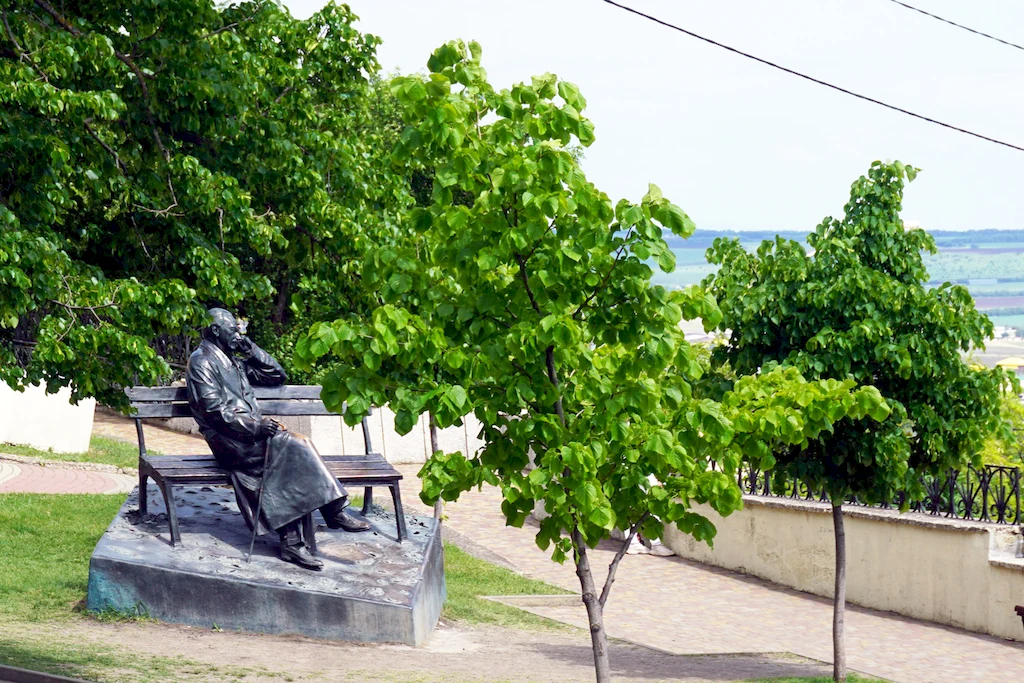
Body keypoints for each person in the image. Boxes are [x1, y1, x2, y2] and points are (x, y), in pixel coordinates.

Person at [185, 308, 370, 571]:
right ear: (215, 331)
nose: (238, 333)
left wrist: (250, 349)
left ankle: (294, 543)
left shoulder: (233, 360)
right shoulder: (202, 361)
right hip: (230, 440)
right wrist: (256, 426)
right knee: (296, 446)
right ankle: (332, 512)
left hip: (251, 437)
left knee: (291, 451)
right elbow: (213, 411)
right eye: (233, 330)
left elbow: (276, 375)